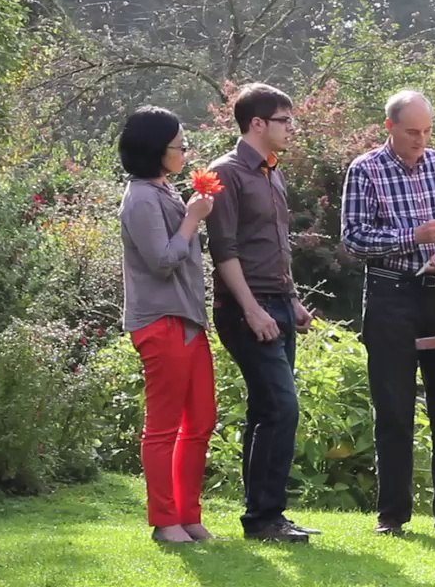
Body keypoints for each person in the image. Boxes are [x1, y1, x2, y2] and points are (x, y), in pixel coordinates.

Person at [341, 89, 435, 537]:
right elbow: (353, 239)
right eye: (411, 132)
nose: (420, 140)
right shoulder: (365, 170)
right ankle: (393, 517)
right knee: (393, 410)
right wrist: (414, 235)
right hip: (389, 295)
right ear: (389, 128)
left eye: (427, 131)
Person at [205, 82, 318, 542]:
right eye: (284, 120)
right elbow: (224, 250)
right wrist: (252, 309)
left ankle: (266, 517)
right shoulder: (226, 173)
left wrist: (291, 299)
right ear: (257, 124)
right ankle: (264, 518)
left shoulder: (273, 173)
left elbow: (274, 247)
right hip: (244, 308)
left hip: (278, 303)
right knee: (281, 407)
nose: (292, 128)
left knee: (267, 411)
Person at [118, 106, 217, 544]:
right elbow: (161, 261)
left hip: (190, 320)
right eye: (179, 146)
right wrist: (194, 220)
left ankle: (188, 515)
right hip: (161, 322)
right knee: (163, 426)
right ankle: (164, 521)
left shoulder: (166, 192)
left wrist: (192, 214)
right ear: (157, 151)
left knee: (201, 421)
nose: (185, 152)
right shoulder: (139, 197)